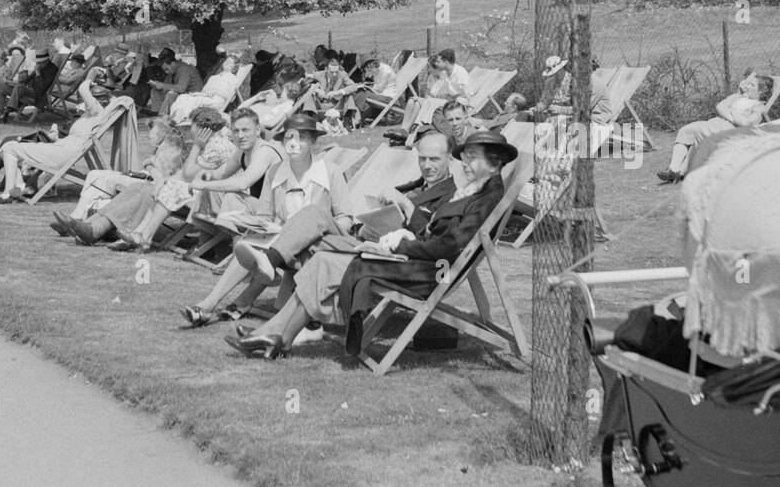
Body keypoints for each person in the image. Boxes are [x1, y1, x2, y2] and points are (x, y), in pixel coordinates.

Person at [226, 129, 517, 360]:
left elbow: (448, 246)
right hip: (419, 259)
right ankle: (277, 335)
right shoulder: (475, 191)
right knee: (322, 250)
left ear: (495, 162)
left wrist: (399, 245)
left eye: (474, 158)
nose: (466, 163)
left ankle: (278, 335)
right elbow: (438, 236)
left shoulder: (485, 197)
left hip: (428, 271)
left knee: (326, 261)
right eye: (465, 157)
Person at [181, 111, 354, 326]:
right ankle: (211, 304)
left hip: (320, 243)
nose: (295, 143)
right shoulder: (275, 172)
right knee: (253, 242)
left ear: (312, 141)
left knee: (269, 247)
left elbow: (346, 217)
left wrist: (318, 230)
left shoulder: (330, 171)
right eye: (290, 138)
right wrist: (259, 226)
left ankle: (232, 303)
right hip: (283, 240)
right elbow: (265, 214)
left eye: (302, 138)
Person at [110, 106, 236, 248]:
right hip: (212, 192)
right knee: (166, 185)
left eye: (192, 126)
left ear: (202, 128)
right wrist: (163, 180)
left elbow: (188, 174)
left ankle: (144, 237)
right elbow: (186, 174)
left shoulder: (217, 147)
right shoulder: (215, 141)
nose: (190, 130)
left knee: (172, 188)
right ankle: (140, 234)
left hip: (221, 198)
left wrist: (196, 146)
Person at [50, 120, 188, 241]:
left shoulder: (173, 147)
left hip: (167, 190)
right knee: (134, 188)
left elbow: (165, 176)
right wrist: (151, 164)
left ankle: (89, 227)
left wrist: (151, 164)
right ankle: (86, 224)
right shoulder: (168, 147)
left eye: (152, 132)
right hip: (152, 183)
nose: (149, 135)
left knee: (140, 189)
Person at [657, 73, 775, 183]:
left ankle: (678, 170)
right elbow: (719, 106)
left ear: (761, 91)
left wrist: (729, 112)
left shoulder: (759, 107)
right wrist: (734, 108)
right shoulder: (738, 97)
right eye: (749, 84)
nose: (748, 86)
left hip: (728, 130)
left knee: (694, 132)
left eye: (752, 85)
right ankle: (675, 169)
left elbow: (745, 123)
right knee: (686, 131)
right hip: (715, 124)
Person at [169, 52, 244, 124]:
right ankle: (175, 116)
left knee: (194, 101)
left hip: (218, 100)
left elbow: (231, 98)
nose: (227, 63)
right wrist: (197, 94)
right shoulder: (214, 77)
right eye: (226, 61)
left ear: (234, 67)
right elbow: (204, 91)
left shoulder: (233, 78)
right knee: (182, 97)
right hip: (206, 97)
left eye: (230, 62)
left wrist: (214, 92)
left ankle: (180, 118)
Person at [305, 51, 362, 125]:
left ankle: (347, 123)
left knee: (349, 95)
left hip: (336, 104)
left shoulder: (342, 75)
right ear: (326, 69)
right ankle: (313, 122)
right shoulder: (320, 74)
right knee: (308, 95)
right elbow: (306, 80)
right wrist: (317, 90)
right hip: (322, 104)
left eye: (336, 72)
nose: (334, 74)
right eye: (331, 72)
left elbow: (354, 86)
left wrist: (338, 92)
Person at [145, 48, 202, 116]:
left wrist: (162, 85)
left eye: (167, 69)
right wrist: (156, 84)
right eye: (165, 70)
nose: (166, 72)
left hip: (193, 96)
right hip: (183, 94)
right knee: (155, 91)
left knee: (171, 94)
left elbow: (181, 88)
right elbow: (166, 84)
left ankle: (162, 116)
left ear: (172, 63)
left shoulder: (184, 69)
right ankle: (156, 113)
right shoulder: (172, 70)